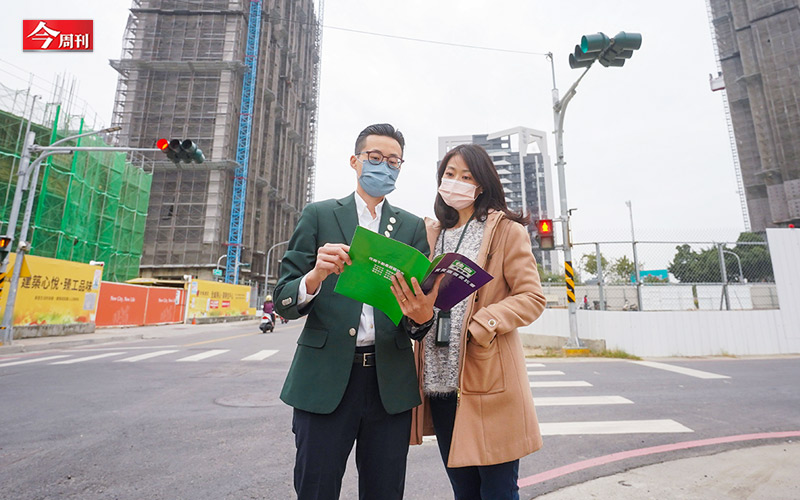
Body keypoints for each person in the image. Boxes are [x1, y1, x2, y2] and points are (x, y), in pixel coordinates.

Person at [274, 123, 441, 500]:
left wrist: (420, 314)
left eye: (393, 161)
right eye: (375, 158)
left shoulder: (412, 228)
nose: (384, 166)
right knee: (316, 488)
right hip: (325, 380)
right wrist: (315, 275)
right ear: (355, 161)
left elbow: (417, 324)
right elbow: (283, 298)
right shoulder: (319, 216)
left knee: (385, 490)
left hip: (388, 385)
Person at [409, 143, 547, 500]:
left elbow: (532, 297)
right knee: (464, 490)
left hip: (486, 381)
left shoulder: (505, 232)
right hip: (440, 382)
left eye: (466, 177)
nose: (455, 183)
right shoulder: (432, 233)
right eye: (449, 175)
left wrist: (482, 323)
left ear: (482, 184)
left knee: (498, 491)